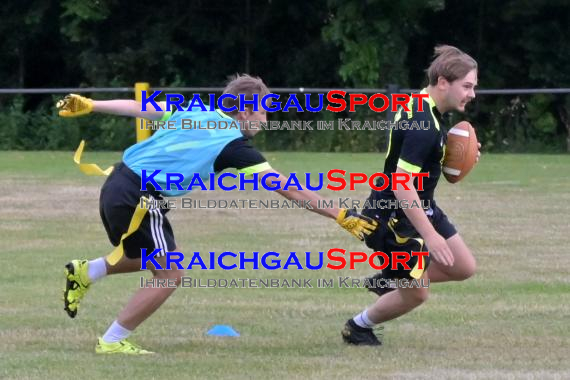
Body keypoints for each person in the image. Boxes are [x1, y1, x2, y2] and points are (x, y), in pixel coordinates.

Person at [57, 74, 377, 354]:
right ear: (246, 110)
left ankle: (88, 271)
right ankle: (113, 340)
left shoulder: (200, 112)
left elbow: (141, 107)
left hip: (119, 185)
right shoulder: (233, 145)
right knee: (170, 274)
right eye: (263, 111)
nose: (265, 121)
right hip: (136, 196)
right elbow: (289, 188)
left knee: (144, 255)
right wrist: (341, 215)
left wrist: (91, 104)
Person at [341, 45, 480, 346]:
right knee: (417, 293)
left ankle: (390, 278)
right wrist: (431, 236)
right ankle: (357, 327)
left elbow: (420, 162)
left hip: (421, 205)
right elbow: (402, 184)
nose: (472, 94)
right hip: (393, 217)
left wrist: (457, 158)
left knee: (463, 266)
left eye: (473, 87)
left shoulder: (422, 103)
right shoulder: (425, 124)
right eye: (467, 86)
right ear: (443, 81)